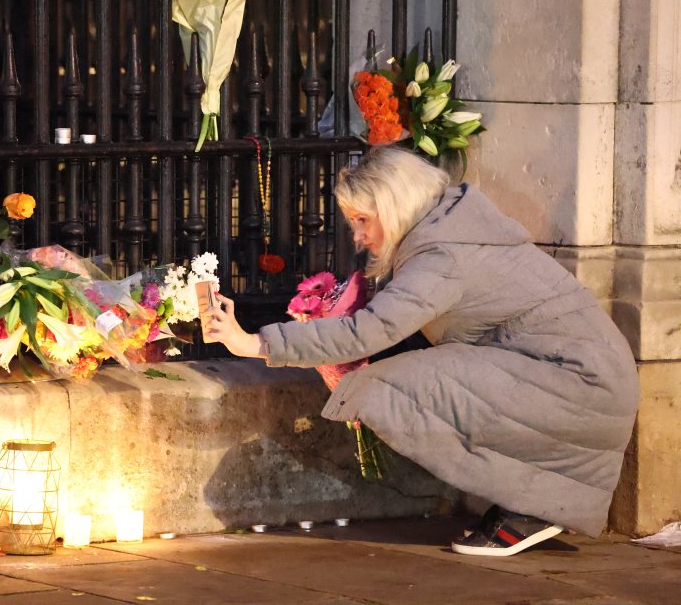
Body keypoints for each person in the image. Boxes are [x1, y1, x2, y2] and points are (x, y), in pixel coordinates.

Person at [204, 146, 639, 557]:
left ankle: (536, 508)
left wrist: (253, 343)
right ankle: (532, 503)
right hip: (581, 380)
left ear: (394, 208)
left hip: (579, 385)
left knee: (388, 387)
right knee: (408, 375)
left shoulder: (441, 256)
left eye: (362, 220)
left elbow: (369, 331)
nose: (357, 236)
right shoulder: (449, 227)